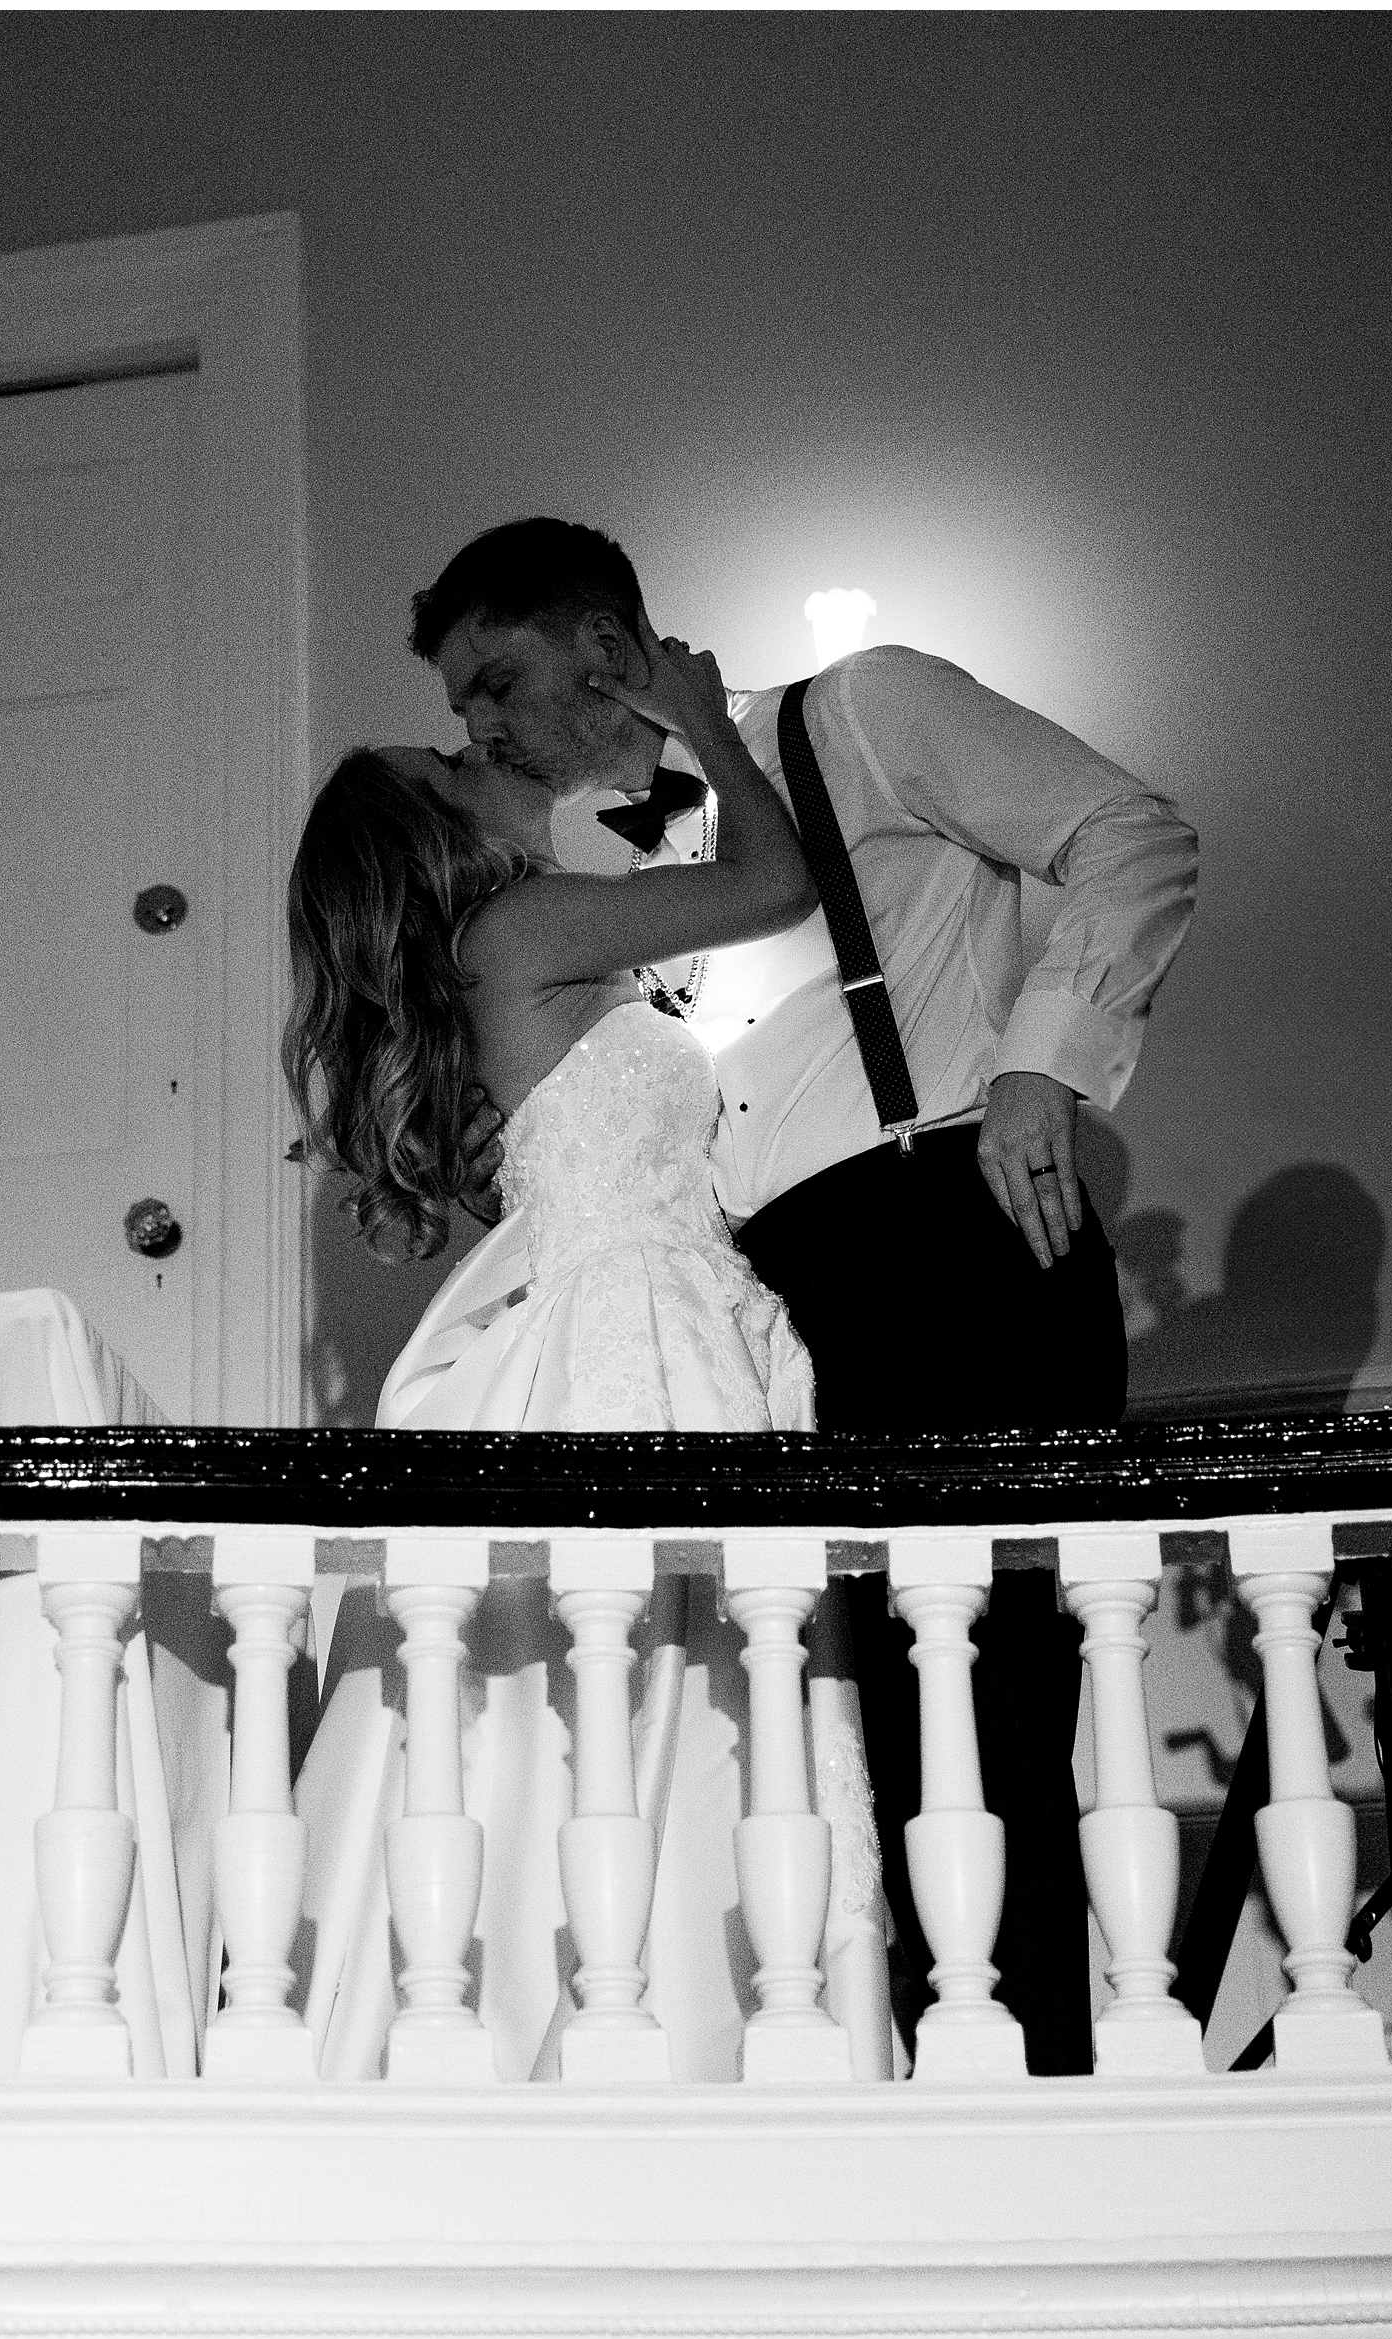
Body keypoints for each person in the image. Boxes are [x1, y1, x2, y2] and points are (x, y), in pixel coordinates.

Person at [397, 517, 1202, 2074]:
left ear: (605, 646)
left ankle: (1035, 2102)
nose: (479, 726)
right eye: (462, 705)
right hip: (776, 1314)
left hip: (950, 1237)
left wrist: (1043, 1064)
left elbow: (1133, 831)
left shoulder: (861, 713)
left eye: (496, 680)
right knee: (854, 1746)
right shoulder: (608, 873)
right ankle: (914, 2105)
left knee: (993, 1712)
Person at [283, 623, 895, 2081]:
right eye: (447, 761)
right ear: (432, 836)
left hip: (665, 1304)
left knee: (663, 1671)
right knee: (668, 1670)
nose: (477, 743)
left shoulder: (521, 950)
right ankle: (664, 2012)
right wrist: (703, 717)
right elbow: (779, 883)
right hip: (639, 1329)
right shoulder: (523, 929)